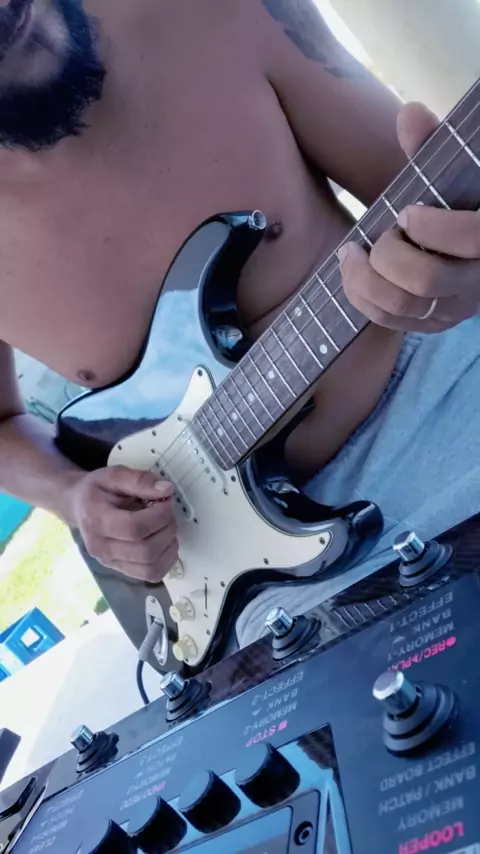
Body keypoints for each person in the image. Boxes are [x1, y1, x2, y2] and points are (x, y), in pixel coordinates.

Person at [0, 0, 478, 652]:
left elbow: (439, 191)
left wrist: (460, 272)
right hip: (252, 590)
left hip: (446, 392)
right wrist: (73, 495)